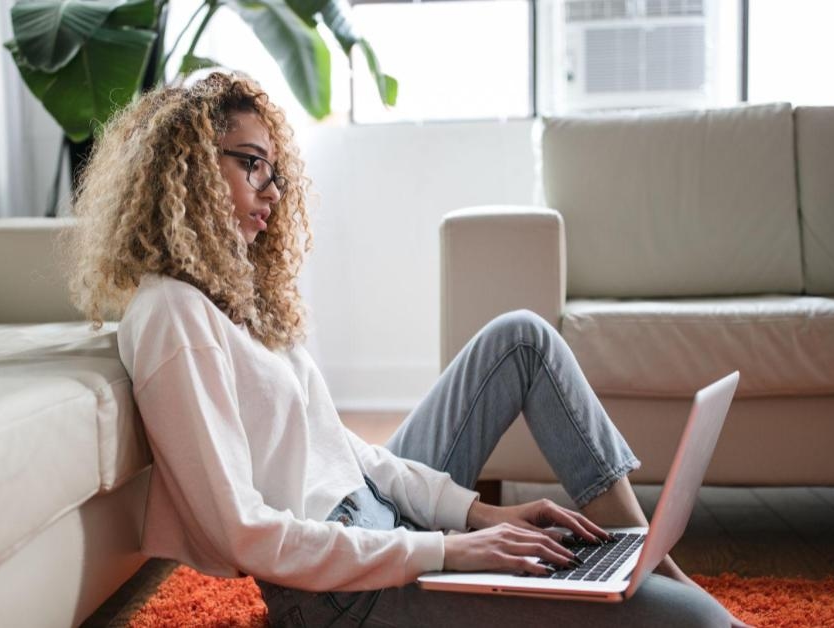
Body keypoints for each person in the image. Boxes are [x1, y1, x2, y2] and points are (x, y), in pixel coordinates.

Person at [66, 71, 740, 627]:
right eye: (251, 164)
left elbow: (344, 450)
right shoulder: (171, 314)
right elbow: (243, 532)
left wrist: (477, 515)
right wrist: (447, 550)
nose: (271, 190)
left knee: (522, 339)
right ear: (187, 170)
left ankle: (644, 557)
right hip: (341, 593)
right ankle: (651, 582)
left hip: (385, 527)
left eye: (275, 171)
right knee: (693, 622)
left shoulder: (236, 301)